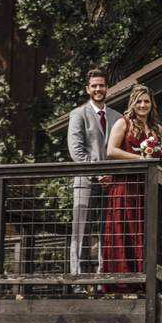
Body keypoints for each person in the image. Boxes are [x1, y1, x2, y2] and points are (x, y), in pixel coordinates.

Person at [103, 84, 162, 284]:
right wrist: (141, 158)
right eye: (139, 101)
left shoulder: (156, 128)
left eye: (146, 101)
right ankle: (123, 282)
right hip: (126, 186)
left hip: (148, 188)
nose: (143, 105)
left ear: (152, 104)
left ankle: (149, 282)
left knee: (147, 231)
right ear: (133, 103)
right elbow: (111, 150)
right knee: (125, 230)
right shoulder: (123, 123)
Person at [66, 69, 120, 288]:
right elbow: (76, 151)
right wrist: (98, 174)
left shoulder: (117, 116)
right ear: (87, 89)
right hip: (86, 182)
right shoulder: (78, 114)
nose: (98, 89)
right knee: (81, 229)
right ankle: (77, 280)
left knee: (106, 230)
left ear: (107, 88)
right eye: (94, 86)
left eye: (102, 85)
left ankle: (101, 279)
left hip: (111, 183)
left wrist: (111, 175)